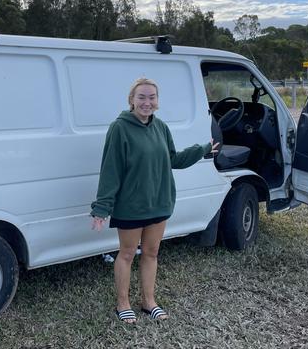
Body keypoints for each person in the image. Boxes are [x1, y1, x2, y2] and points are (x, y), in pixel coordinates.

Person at [90, 78, 219, 323]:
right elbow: (111, 170)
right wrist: (102, 207)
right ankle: (123, 304)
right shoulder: (119, 128)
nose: (147, 102)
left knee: (151, 252)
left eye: (152, 97)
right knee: (127, 254)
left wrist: (202, 149)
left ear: (157, 101)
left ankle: (149, 301)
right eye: (142, 97)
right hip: (131, 205)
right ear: (132, 100)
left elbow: (173, 159)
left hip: (159, 201)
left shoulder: (160, 127)